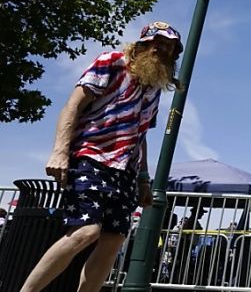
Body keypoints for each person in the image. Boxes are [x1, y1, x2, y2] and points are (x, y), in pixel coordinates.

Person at [20, 21, 182, 292]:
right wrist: (59, 151)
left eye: (169, 47)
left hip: (125, 170)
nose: (162, 50)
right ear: (142, 43)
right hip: (91, 157)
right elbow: (73, 105)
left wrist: (143, 179)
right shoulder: (112, 62)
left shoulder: (154, 88)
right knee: (86, 231)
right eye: (157, 43)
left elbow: (140, 135)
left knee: (114, 240)